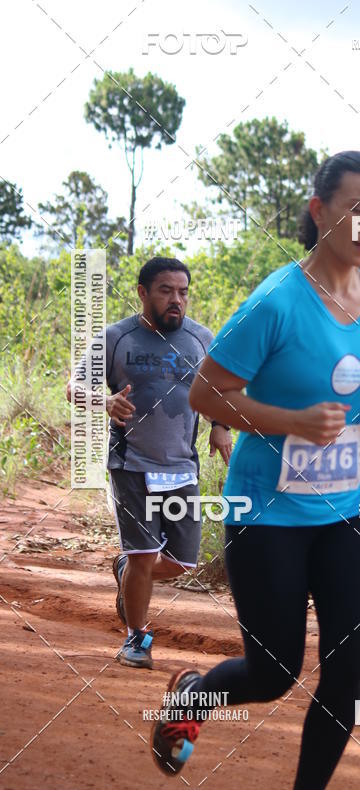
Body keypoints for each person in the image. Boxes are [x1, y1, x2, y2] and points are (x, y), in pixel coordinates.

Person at [150, 152, 360, 790]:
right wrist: (290, 421)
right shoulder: (276, 300)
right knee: (274, 674)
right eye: (359, 211)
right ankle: (194, 697)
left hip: (346, 512)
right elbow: (207, 394)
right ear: (318, 211)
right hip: (265, 514)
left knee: (348, 666)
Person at [67, 256, 232, 669]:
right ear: (143, 292)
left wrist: (220, 426)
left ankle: (127, 571)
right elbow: (74, 389)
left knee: (181, 561)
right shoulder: (116, 338)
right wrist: (103, 401)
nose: (177, 300)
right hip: (131, 464)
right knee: (144, 553)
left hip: (180, 466)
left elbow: (219, 389)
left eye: (183, 292)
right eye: (166, 291)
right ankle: (135, 639)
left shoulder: (201, 339)